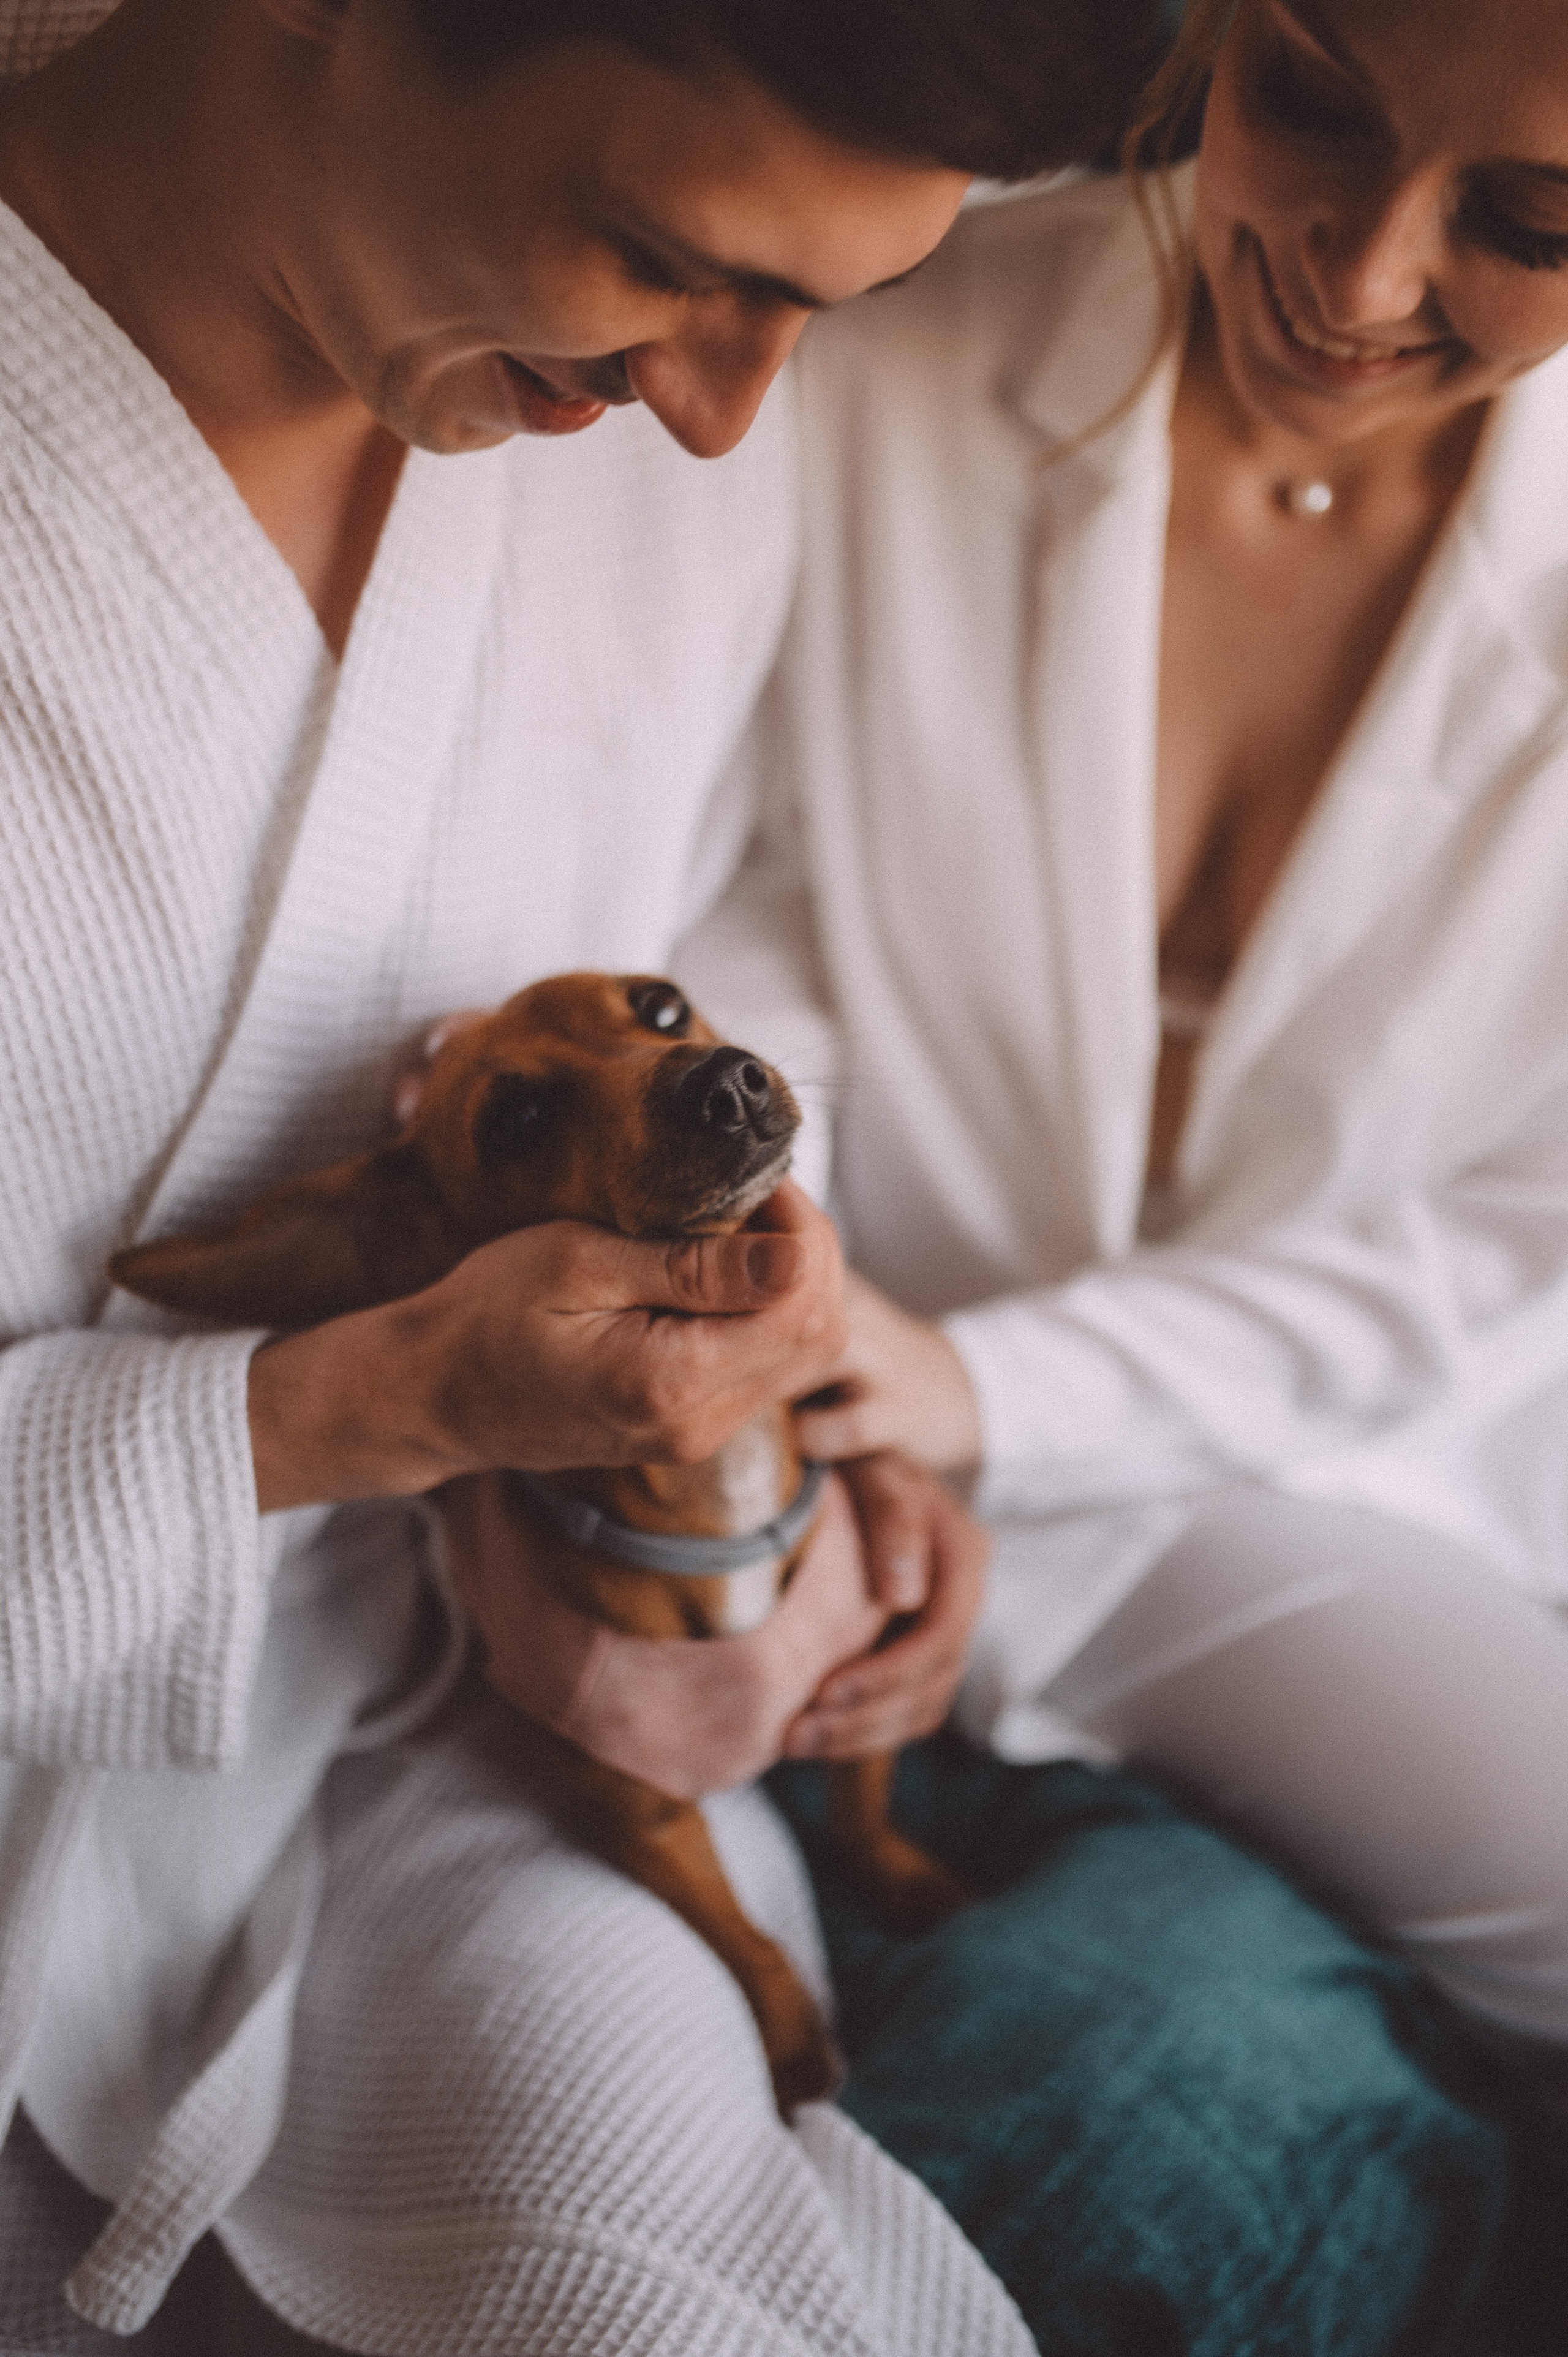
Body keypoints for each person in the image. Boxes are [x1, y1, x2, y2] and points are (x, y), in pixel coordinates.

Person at [0, 1, 1164, 2350]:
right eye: (664, 253)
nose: (732, 413)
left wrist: (800, 1385)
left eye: (823, 313)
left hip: (500, 1703)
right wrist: (365, 1405)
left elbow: (702, 953)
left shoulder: (658, 430)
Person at [666, 0, 1568, 2338]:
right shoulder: (871, 345)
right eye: (1314, 104)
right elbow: (743, 935)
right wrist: (798, 1343)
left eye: (1533, 218)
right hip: (829, 1396)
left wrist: (985, 1391)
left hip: (1319, 1472)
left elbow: (1517, 1230)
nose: (1356, 281)